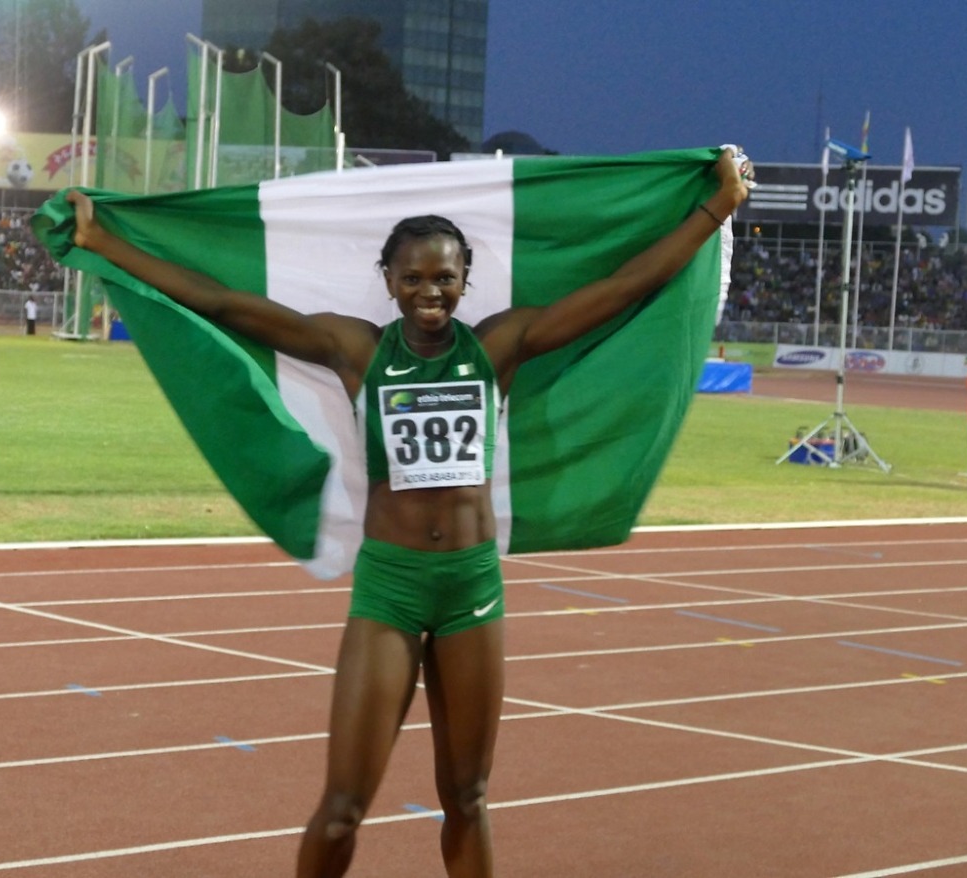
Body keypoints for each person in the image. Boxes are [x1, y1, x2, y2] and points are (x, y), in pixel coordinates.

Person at [65, 147, 753, 878]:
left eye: (446, 277)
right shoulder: (354, 348)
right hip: (390, 585)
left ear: (465, 281)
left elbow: (623, 287)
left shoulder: (500, 345)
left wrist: (718, 207)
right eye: (415, 277)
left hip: (472, 588)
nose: (432, 291)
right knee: (343, 806)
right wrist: (103, 241)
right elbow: (228, 306)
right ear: (389, 282)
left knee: (469, 794)